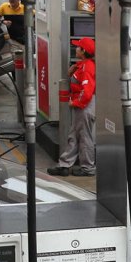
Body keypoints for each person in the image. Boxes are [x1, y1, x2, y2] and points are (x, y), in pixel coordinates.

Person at [48, 37, 97, 177]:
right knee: (74, 136)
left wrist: (75, 103)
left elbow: (87, 91)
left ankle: (87, 168)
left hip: (85, 107)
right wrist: (72, 72)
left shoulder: (87, 67)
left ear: (84, 51)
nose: (75, 48)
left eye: (78, 47)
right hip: (84, 106)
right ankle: (65, 165)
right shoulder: (83, 65)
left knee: (84, 137)